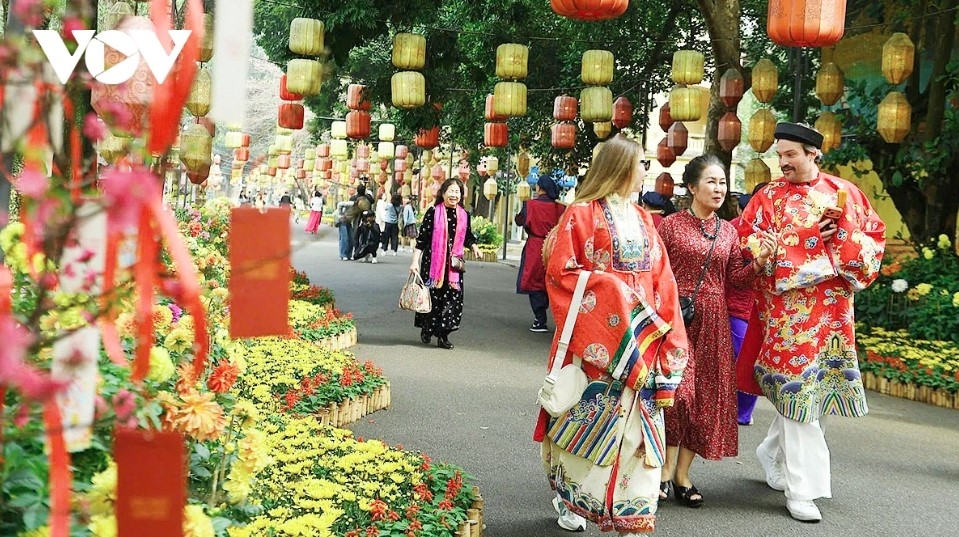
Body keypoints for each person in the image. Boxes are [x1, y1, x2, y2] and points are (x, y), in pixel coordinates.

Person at [533, 134, 689, 535]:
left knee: (639, 429)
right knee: (585, 420)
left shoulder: (644, 220)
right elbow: (561, 274)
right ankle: (574, 499)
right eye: (640, 165)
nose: (644, 173)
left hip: (644, 341)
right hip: (597, 342)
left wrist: (667, 333)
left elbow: (663, 280)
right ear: (620, 168)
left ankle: (633, 509)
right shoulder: (580, 214)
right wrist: (612, 294)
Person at [736, 122, 886, 523]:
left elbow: (873, 243)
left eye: (790, 155)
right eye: (779, 155)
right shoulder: (766, 197)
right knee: (798, 392)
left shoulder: (847, 194)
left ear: (813, 154)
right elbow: (747, 245)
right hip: (787, 317)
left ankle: (770, 453)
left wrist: (842, 235)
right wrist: (807, 244)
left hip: (834, 315)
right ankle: (804, 490)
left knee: (813, 397)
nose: (782, 162)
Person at [656, 154, 776, 508]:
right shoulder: (671, 226)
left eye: (722, 182)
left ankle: (682, 475)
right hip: (675, 320)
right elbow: (655, 272)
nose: (718, 188)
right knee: (678, 394)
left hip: (714, 323)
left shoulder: (729, 231)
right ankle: (662, 469)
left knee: (706, 399)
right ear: (691, 187)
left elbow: (734, 279)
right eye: (711, 181)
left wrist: (759, 262)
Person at [409, 179, 482, 350]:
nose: (455, 195)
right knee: (432, 298)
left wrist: (475, 247)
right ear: (443, 193)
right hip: (432, 265)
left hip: (453, 267)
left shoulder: (464, 215)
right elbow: (422, 240)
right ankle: (427, 328)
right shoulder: (433, 212)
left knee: (452, 300)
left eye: (458, 192)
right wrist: (415, 262)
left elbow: (468, 236)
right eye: (451, 191)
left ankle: (444, 335)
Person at [726, 189, 765, 426]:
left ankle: (743, 412)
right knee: (741, 357)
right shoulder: (732, 229)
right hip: (737, 306)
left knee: (753, 360)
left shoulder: (774, 230)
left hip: (760, 308)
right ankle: (734, 410)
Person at [514, 175, 565, 333]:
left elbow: (519, 220)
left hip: (536, 246)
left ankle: (540, 318)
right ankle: (560, 321)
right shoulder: (561, 208)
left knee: (535, 281)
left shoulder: (530, 205)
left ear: (540, 188)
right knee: (553, 281)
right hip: (555, 246)